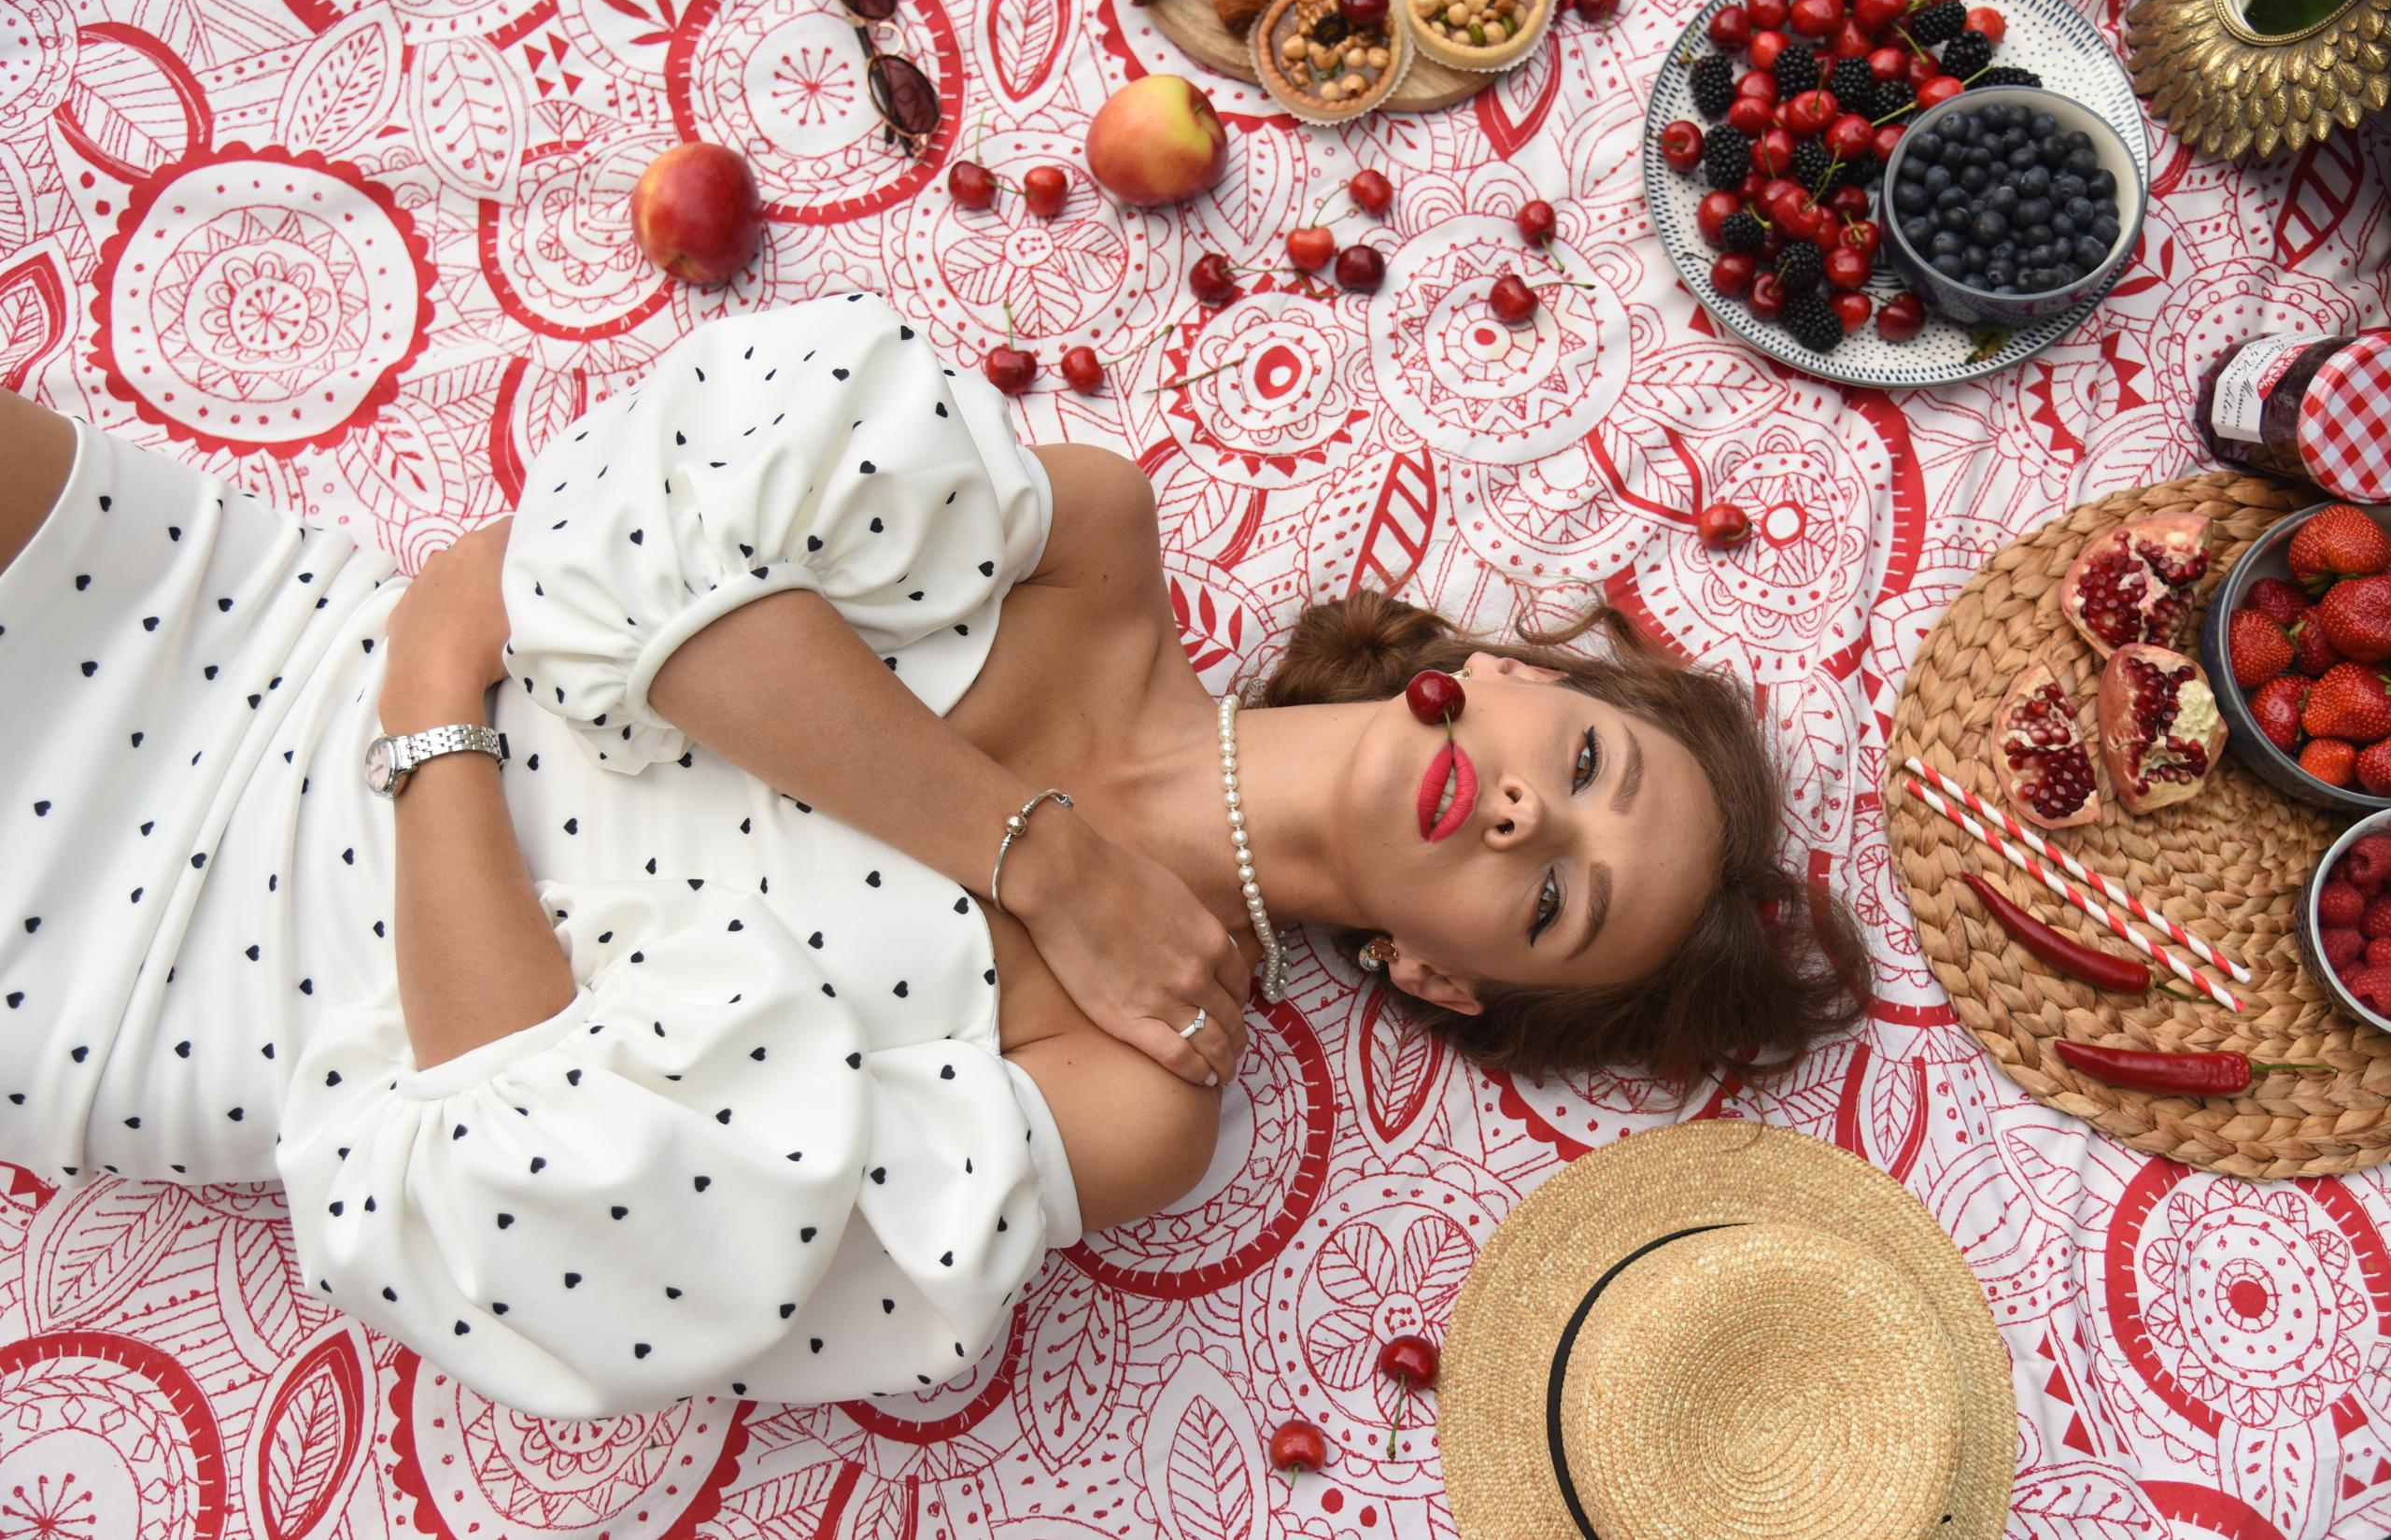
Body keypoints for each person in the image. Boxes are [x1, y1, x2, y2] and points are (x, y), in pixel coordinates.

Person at [0, 293, 1864, 1420]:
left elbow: (535, 1209)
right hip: (208, 615)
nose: (1542, 817)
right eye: (1592, 760)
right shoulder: (1094, 541)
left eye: (1556, 902)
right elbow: (627, 523)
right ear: (1499, 678)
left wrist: (436, 686)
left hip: (127, 990)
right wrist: (1030, 856)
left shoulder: (1133, 1099)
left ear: (1449, 977)